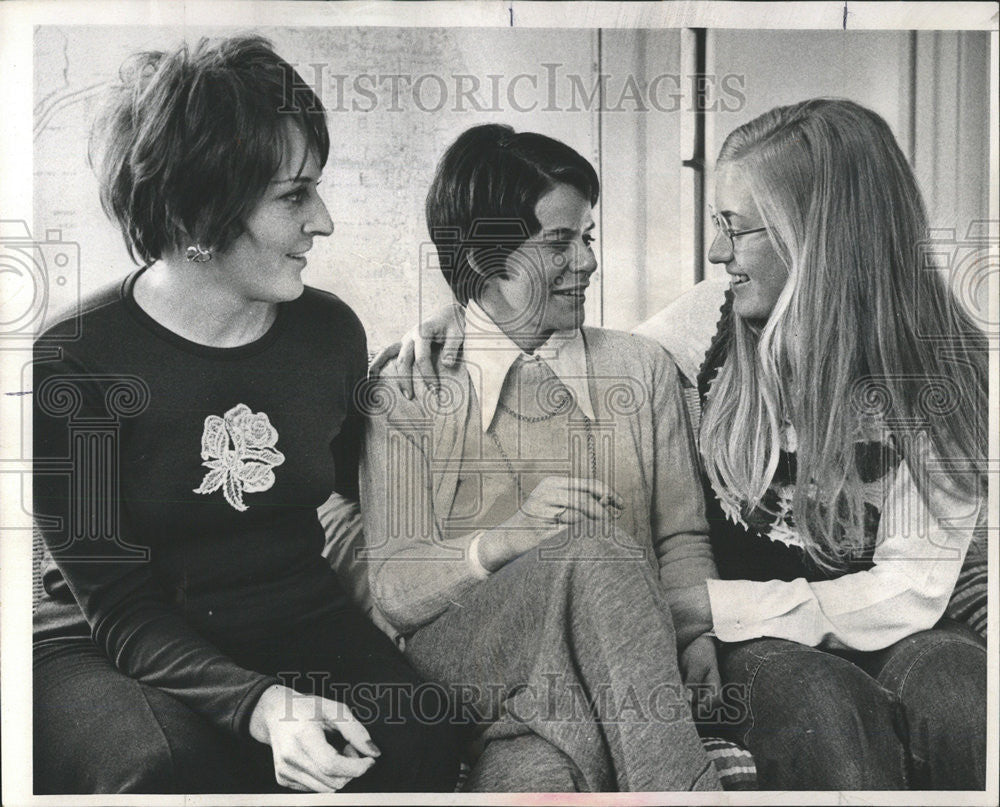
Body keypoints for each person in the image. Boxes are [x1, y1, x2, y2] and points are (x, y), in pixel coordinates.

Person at [380, 99, 988, 790]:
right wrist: (463, 308)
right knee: (823, 702)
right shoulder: (707, 323)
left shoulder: (951, 367)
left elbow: (914, 587)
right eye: (716, 227)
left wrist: (706, 611)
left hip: (831, 613)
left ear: (813, 237)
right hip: (754, 641)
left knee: (966, 690)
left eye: (734, 228)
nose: (716, 251)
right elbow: (536, 333)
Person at [32, 36, 460, 794]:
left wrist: (458, 335)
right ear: (201, 210)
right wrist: (264, 706)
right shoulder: (78, 359)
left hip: (293, 613)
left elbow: (371, 471)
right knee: (164, 772)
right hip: (119, 640)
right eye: (293, 195)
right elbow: (120, 606)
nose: (323, 220)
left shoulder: (329, 331)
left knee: (417, 735)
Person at [359, 123, 723, 792]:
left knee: (536, 774)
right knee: (594, 547)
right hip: (465, 670)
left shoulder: (641, 369)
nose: (586, 262)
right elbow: (396, 588)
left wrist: (696, 636)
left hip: (590, 681)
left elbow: (681, 536)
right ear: (490, 256)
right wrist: (506, 538)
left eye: (587, 237)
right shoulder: (411, 388)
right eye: (559, 242)